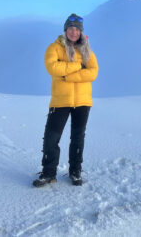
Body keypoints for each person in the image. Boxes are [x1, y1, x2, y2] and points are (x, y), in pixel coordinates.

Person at [33, 13, 99, 187]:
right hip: (60, 101)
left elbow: (93, 72)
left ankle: (75, 172)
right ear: (65, 30)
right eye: (71, 28)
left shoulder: (87, 50)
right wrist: (78, 66)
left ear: (81, 32)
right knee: (51, 138)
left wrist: (67, 76)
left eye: (77, 29)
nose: (74, 32)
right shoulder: (54, 48)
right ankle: (48, 173)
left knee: (78, 138)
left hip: (83, 101)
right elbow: (53, 68)